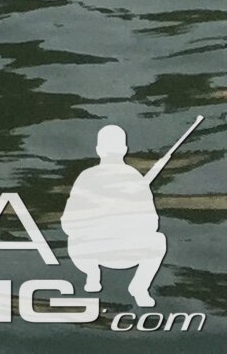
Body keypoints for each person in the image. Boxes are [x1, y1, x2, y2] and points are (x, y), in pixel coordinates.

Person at [61, 124, 168, 306]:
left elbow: (68, 223)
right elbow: (152, 224)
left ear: (98, 150)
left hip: (92, 251)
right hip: (128, 252)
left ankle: (94, 273)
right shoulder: (135, 178)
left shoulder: (87, 177)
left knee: (74, 239)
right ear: (124, 149)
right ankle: (139, 285)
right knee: (158, 240)